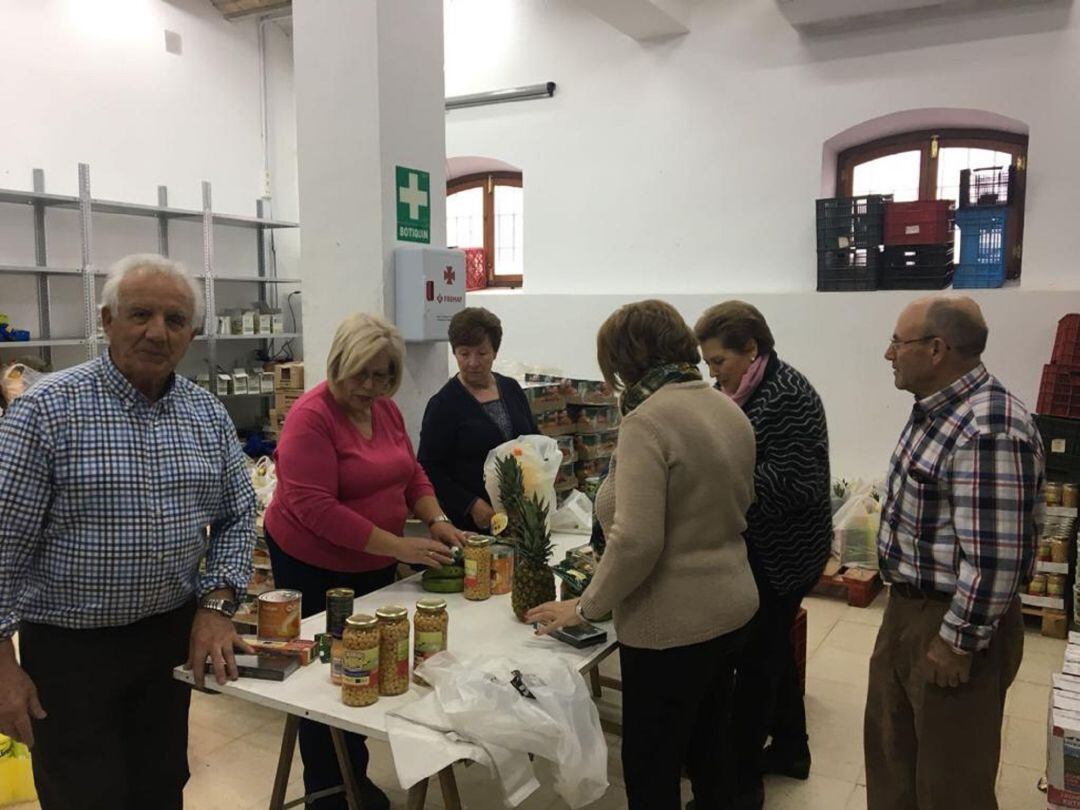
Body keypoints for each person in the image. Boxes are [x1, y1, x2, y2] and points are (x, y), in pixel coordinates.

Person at [0, 253, 257, 810]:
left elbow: (240, 514)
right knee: (84, 796)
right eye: (140, 314)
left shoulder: (207, 416)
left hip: (167, 640)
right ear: (106, 319)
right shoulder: (46, 411)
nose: (157, 332)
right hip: (70, 654)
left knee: (160, 787)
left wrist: (216, 606)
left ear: (191, 333)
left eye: (176, 320)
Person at [526, 299, 759, 810]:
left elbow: (635, 541)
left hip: (671, 624)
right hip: (731, 604)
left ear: (625, 362)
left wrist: (585, 606)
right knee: (709, 748)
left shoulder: (647, 422)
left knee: (652, 766)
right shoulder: (725, 405)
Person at [264, 312, 466, 810]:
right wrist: (401, 548)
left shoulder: (385, 410)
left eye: (383, 376)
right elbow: (316, 510)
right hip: (313, 564)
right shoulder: (312, 417)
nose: (372, 386)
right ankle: (328, 792)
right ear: (339, 364)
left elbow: (410, 472)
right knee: (322, 679)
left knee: (365, 665)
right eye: (362, 374)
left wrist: (436, 517)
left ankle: (355, 776)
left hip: (371, 559)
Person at [865, 295, 1043, 810]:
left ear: (937, 348)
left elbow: (995, 560)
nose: (888, 354)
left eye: (898, 342)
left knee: (950, 783)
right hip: (908, 608)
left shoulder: (987, 427)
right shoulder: (936, 411)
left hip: (949, 623)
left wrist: (957, 642)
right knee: (893, 758)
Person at [694, 301, 832, 808]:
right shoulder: (741, 390)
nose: (713, 374)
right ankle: (792, 751)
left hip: (784, 554)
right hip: (764, 547)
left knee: (753, 667)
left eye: (719, 362)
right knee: (773, 654)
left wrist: (721, 480)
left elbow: (798, 485)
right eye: (707, 364)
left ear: (751, 349)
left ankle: (739, 788)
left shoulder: (786, 396)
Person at [418, 307, 540, 532]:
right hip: (472, 525)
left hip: (520, 515)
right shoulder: (443, 405)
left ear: (495, 352)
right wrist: (470, 504)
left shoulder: (511, 389)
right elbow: (429, 467)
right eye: (464, 354)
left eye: (482, 353)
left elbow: (533, 438)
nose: (473, 363)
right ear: (454, 352)